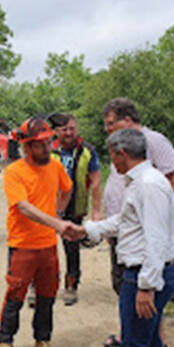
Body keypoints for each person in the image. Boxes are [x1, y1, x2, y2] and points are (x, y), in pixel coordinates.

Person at [66, 128, 174, 347]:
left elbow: (155, 238)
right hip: (150, 272)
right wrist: (88, 229)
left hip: (144, 273)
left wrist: (145, 286)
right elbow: (126, 223)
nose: (111, 163)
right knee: (151, 340)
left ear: (121, 153)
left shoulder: (148, 185)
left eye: (111, 155)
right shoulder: (143, 182)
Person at [100, 98, 174, 347]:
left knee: (143, 292)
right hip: (123, 228)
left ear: (127, 120)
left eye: (110, 123)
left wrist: (163, 218)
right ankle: (131, 332)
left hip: (140, 235)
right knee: (123, 287)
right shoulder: (124, 143)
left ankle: (153, 341)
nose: (107, 128)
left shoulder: (153, 141)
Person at [0, 116, 73, 347]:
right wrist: (57, 223)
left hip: (48, 245)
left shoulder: (55, 166)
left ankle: (43, 339)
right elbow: (24, 207)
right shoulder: (14, 172)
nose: (47, 148)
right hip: (23, 244)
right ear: (27, 146)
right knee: (16, 294)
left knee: (47, 295)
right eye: (40, 144)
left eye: (48, 142)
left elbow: (67, 188)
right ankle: (5, 340)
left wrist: (59, 212)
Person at [49, 113, 102, 305]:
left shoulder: (87, 151)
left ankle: (71, 286)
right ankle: (38, 285)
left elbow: (96, 180)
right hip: (47, 208)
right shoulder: (48, 149)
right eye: (64, 129)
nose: (69, 133)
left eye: (73, 128)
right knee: (42, 248)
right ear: (56, 131)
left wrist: (96, 210)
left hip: (75, 208)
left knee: (72, 249)